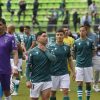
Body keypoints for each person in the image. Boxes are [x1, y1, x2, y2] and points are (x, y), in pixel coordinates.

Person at [26, 31, 56, 100]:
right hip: (35, 80)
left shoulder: (50, 50)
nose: (46, 38)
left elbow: (53, 60)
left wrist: (45, 51)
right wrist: (28, 80)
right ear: (38, 38)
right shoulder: (32, 51)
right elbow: (28, 67)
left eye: (46, 36)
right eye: (44, 36)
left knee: (45, 98)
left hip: (47, 80)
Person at [49, 29, 75, 100]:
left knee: (65, 92)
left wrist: (73, 71)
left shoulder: (67, 47)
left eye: (61, 35)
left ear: (64, 36)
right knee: (53, 93)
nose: (59, 36)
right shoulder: (50, 47)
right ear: (55, 36)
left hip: (64, 73)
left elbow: (70, 60)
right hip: (53, 73)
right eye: (57, 35)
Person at [73, 25, 95, 100]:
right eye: (80, 30)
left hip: (88, 65)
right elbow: (74, 53)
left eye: (83, 30)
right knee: (79, 83)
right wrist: (78, 59)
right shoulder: (76, 42)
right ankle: (80, 99)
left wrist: (88, 58)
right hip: (79, 65)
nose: (81, 32)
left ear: (86, 31)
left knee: (88, 83)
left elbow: (93, 52)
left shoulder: (90, 41)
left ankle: (87, 98)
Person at [0, 18, 18, 100]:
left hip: (5, 69)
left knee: (6, 91)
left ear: (4, 26)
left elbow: (15, 53)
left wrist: (15, 67)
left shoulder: (10, 38)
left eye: (0, 24)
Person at [7, 24, 24, 96]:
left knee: (16, 73)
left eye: (8, 29)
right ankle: (13, 85)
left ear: (11, 29)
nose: (7, 30)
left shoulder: (14, 36)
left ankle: (16, 90)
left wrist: (21, 53)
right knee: (11, 73)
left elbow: (19, 46)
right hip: (9, 57)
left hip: (16, 57)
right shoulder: (8, 36)